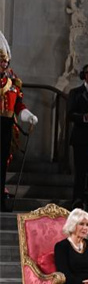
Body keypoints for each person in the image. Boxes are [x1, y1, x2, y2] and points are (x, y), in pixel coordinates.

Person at [0, 31, 38, 212]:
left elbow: (18, 105)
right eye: (1, 60)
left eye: (5, 61)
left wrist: (27, 115)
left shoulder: (13, 82)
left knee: (2, 164)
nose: (4, 63)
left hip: (6, 126)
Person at [67, 63, 88, 212]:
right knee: (81, 171)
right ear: (84, 75)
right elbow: (70, 114)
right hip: (81, 137)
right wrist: (86, 117)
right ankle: (77, 200)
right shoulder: (76, 92)